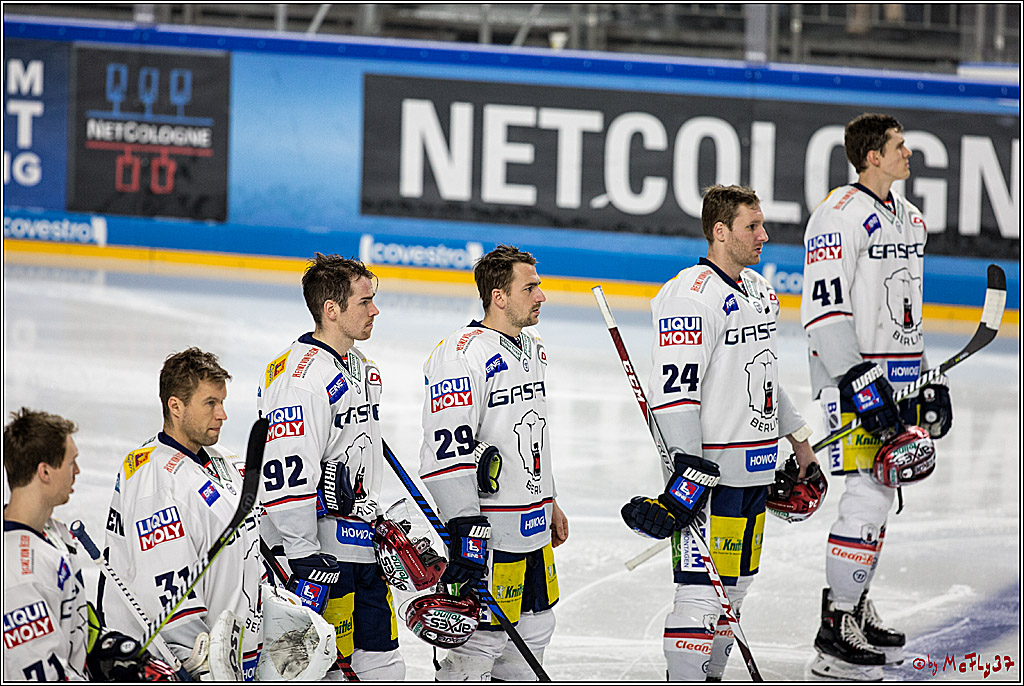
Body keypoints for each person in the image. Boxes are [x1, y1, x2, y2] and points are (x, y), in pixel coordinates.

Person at [623, 185, 818, 680]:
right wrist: (687, 479)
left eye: (761, 224)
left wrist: (799, 440)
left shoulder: (759, 291)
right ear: (719, 231)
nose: (764, 235)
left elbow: (766, 374)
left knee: (733, 592)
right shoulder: (689, 297)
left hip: (755, 473)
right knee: (699, 594)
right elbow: (675, 396)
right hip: (711, 479)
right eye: (752, 226)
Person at [801, 113, 951, 680]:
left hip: (903, 380)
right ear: (872, 157)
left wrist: (927, 377)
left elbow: (906, 308)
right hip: (857, 381)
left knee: (882, 499)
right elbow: (823, 310)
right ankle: (836, 626)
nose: (908, 152)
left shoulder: (910, 219)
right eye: (899, 146)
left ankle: (855, 605)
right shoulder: (838, 216)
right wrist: (857, 381)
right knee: (865, 498)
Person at [419, 244, 569, 681]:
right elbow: (444, 449)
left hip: (533, 524)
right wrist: (465, 524)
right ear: (499, 296)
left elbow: (533, 430)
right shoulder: (460, 354)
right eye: (531, 288)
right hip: (490, 529)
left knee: (537, 627)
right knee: (481, 642)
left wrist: (550, 499)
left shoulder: (533, 347)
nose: (541, 296)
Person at [256, 253, 405, 680]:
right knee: (329, 672)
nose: (375, 310)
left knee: (385, 667)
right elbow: (286, 469)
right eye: (365, 302)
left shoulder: (359, 366)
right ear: (332, 310)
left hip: (364, 552)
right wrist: (303, 552)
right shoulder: (300, 378)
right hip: (322, 559)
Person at [101, 348, 265, 680]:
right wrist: (200, 665)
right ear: (176, 406)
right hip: (185, 666)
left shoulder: (224, 461)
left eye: (222, 401)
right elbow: (167, 594)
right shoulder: (153, 480)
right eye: (210, 404)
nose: (223, 414)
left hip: (236, 658)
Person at [4, 408, 174, 682]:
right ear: (45, 472)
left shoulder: (52, 532)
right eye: (72, 463)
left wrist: (113, 649)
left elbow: (74, 623)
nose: (78, 471)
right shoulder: (20, 574)